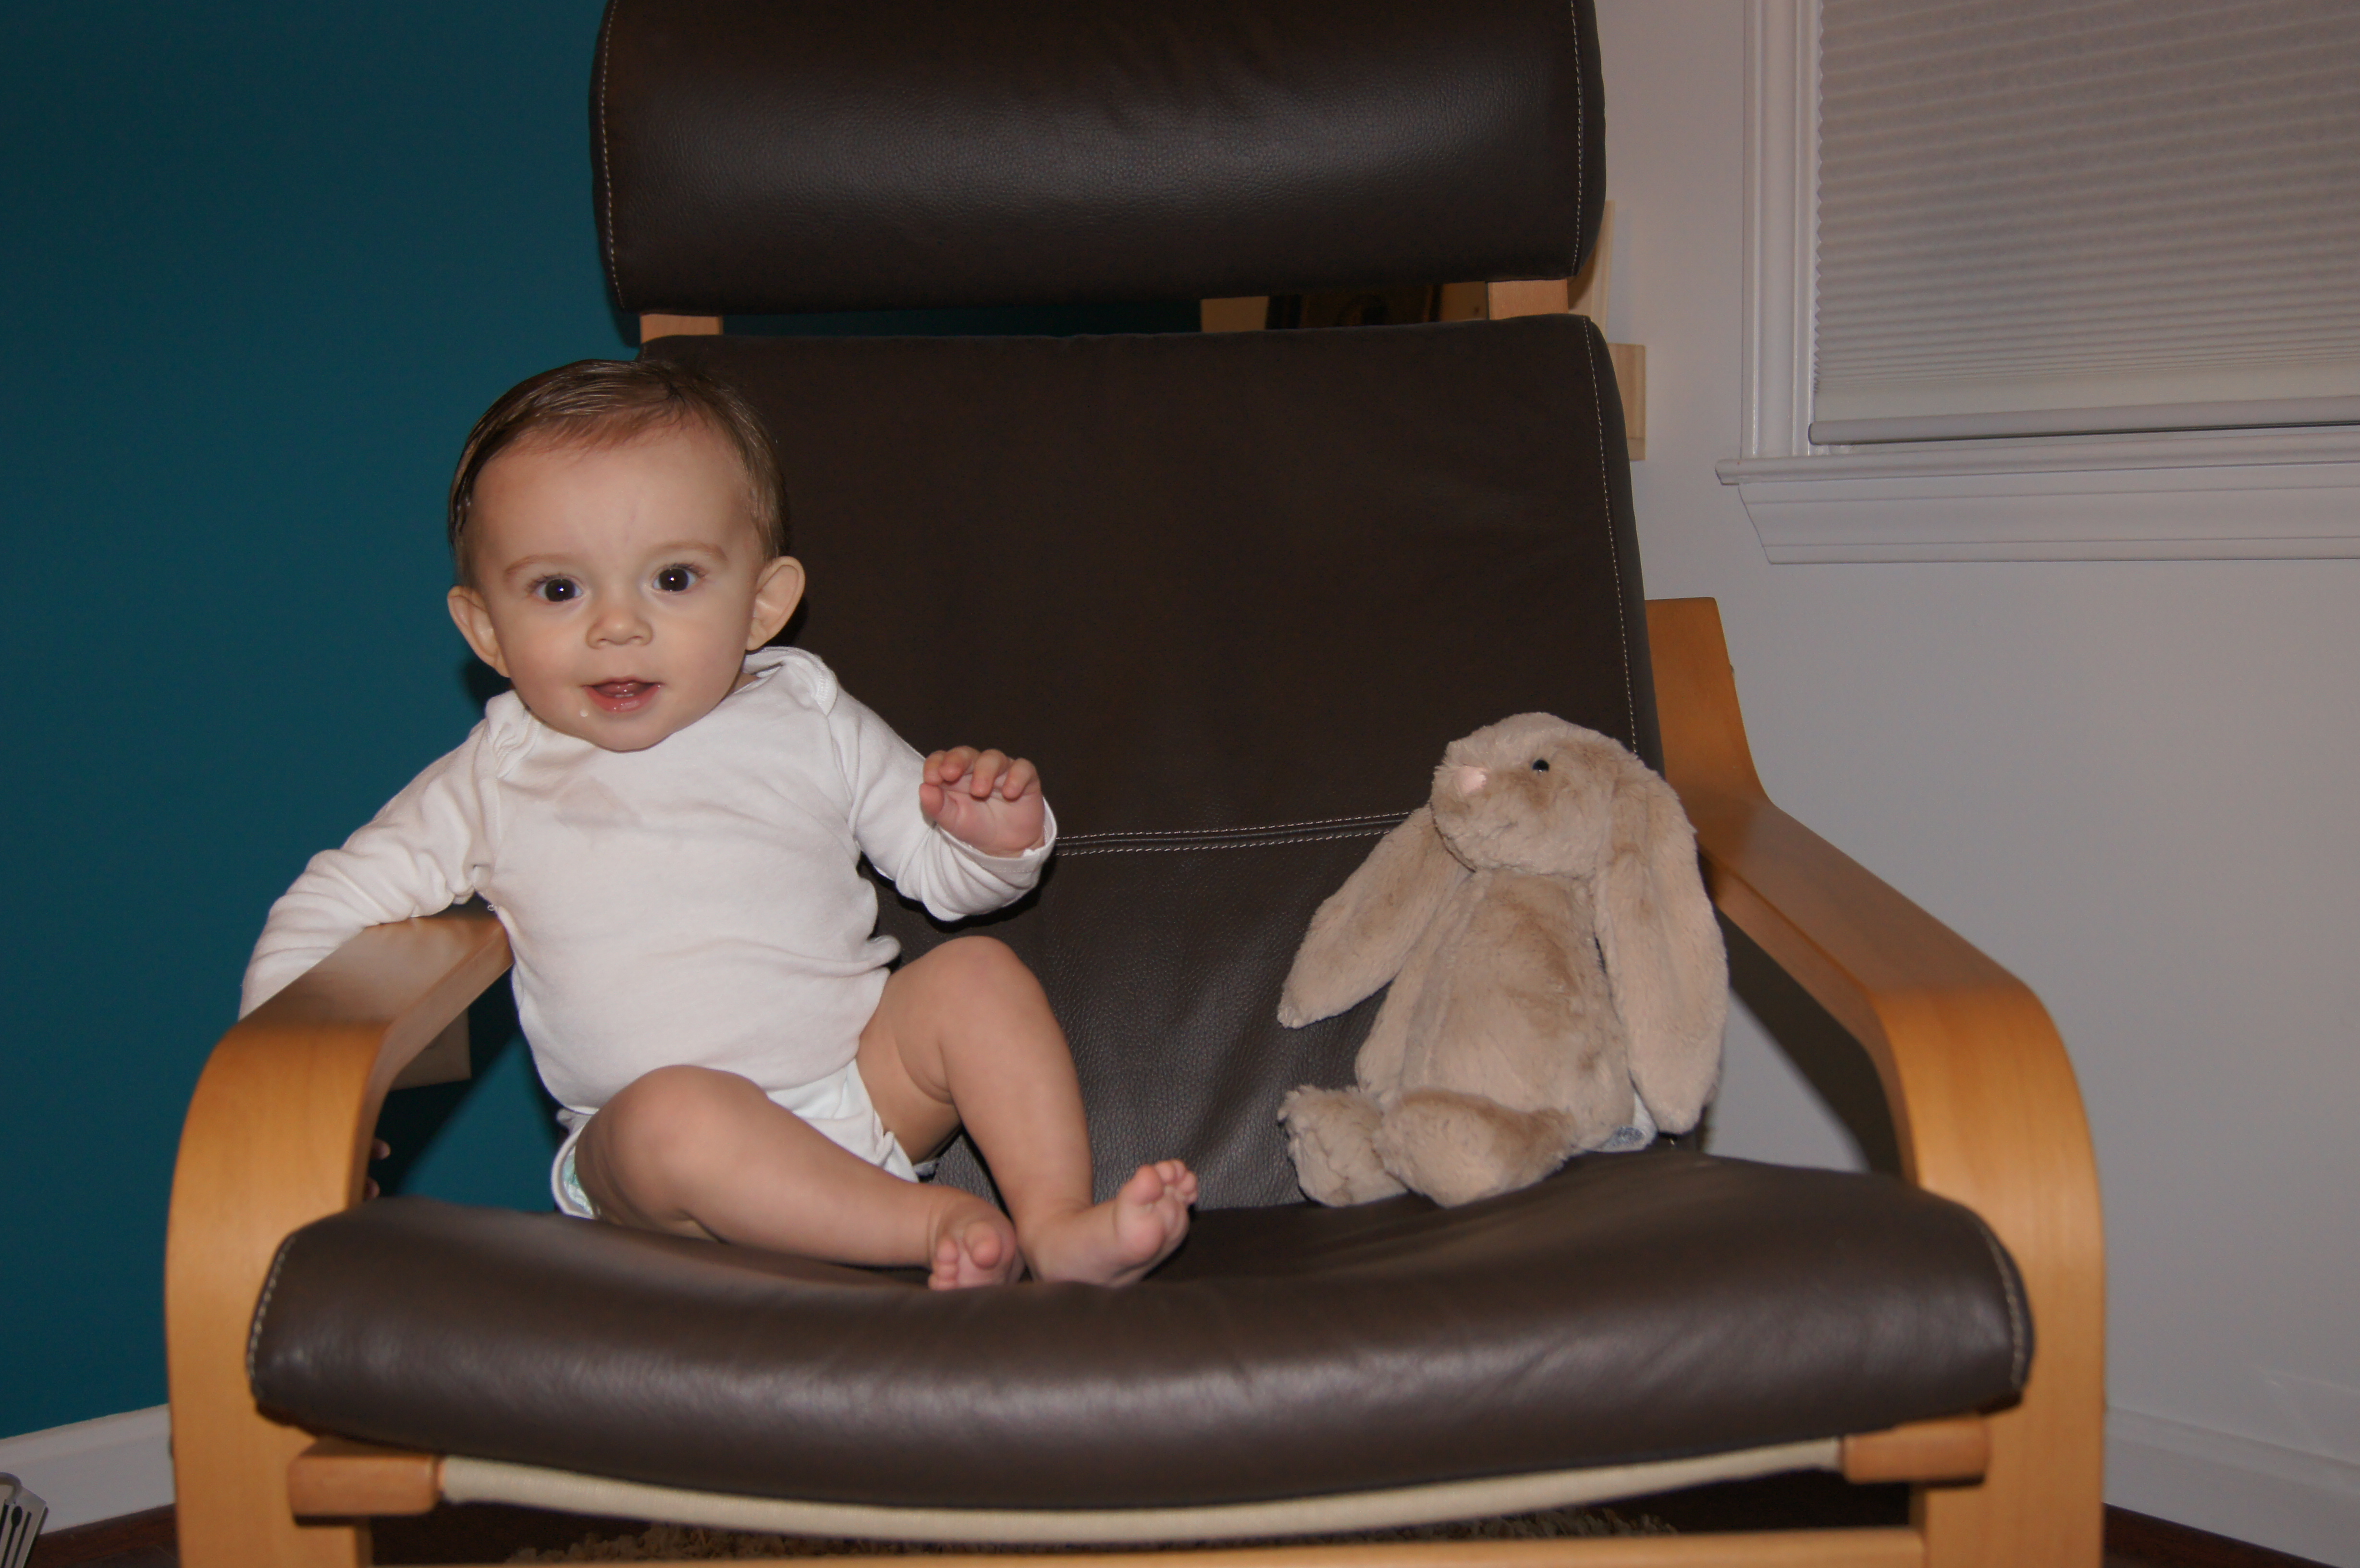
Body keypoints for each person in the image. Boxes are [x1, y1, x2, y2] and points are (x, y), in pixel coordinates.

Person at [242, 358, 1197, 1289]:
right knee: (674, 1114)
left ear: (763, 605)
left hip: (860, 1096)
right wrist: (302, 1094)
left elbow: (944, 880)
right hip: (654, 1163)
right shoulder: (493, 777)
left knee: (976, 976)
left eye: (673, 578)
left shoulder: (811, 716)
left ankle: (1056, 1222)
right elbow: (330, 905)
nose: (617, 626)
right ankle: (931, 1226)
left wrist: (993, 840)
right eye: (560, 590)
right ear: (488, 630)